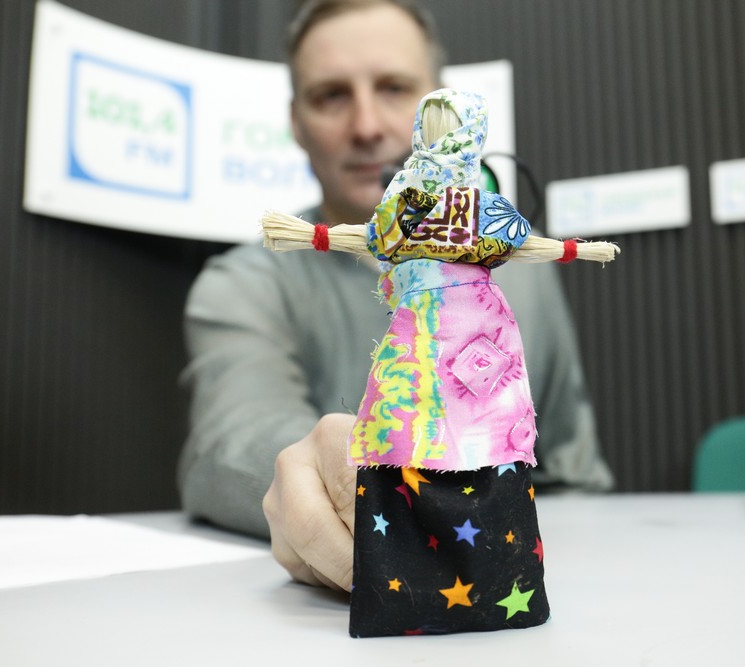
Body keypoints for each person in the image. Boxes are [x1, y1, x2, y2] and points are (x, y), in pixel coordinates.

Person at [177, 0, 613, 593]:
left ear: (441, 109)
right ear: (296, 123)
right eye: (331, 95)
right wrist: (307, 476)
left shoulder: (516, 269)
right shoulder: (242, 285)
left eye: (395, 88)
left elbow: (569, 467)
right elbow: (231, 439)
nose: (367, 126)